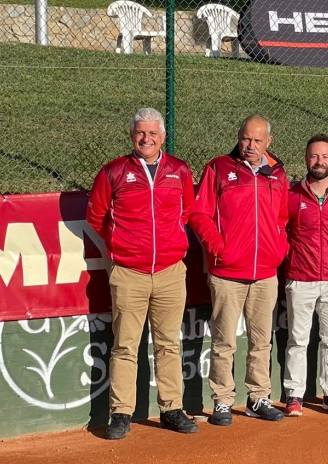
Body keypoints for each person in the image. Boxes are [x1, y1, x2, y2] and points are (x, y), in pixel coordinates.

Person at [86, 107, 198, 440]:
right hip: (129, 273)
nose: (146, 139)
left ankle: (171, 409)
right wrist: (121, 244)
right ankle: (121, 414)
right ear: (132, 135)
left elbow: (187, 211)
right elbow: (96, 217)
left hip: (170, 271)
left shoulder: (179, 170)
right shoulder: (114, 172)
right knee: (125, 346)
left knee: (168, 345)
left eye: (152, 133)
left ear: (163, 136)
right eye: (140, 133)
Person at [189, 115, 289, 426]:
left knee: (261, 341)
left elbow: (282, 218)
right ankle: (222, 401)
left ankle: (258, 397)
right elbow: (199, 213)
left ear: (268, 142)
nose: (251, 146)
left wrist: (279, 247)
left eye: (258, 140)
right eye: (246, 139)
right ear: (238, 136)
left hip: (265, 273)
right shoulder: (218, 168)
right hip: (227, 273)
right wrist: (219, 248)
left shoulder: (278, 173)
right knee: (224, 342)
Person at [283, 134, 328, 417]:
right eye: (314, 156)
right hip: (300, 278)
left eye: (325, 156)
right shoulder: (292, 195)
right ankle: (294, 395)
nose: (319, 161)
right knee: (298, 340)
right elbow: (283, 230)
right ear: (306, 159)